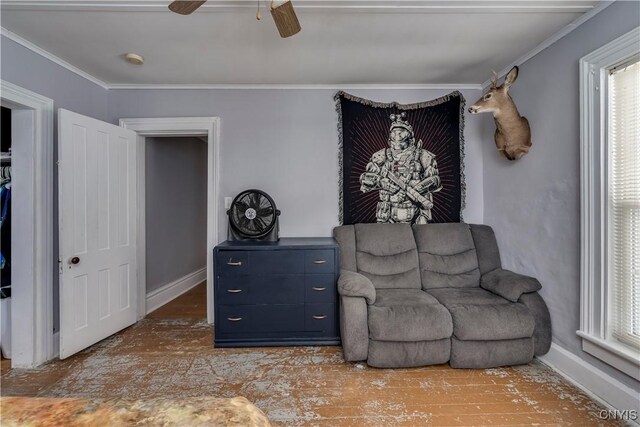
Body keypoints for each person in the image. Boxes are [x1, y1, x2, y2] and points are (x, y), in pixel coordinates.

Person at [359, 112, 442, 224]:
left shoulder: (423, 155)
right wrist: (384, 184)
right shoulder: (381, 156)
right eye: (395, 133)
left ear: (411, 138)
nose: (398, 135)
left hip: (417, 212)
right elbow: (365, 179)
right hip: (387, 212)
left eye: (401, 133)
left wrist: (415, 190)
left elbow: (435, 181)